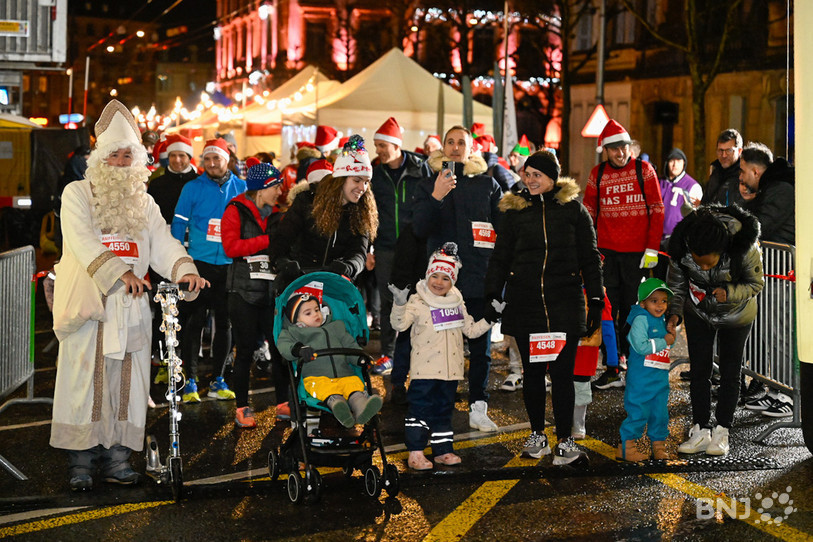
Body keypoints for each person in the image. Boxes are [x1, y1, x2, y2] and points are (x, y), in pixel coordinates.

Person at [50, 99, 208, 491]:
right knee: (84, 384)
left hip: (133, 310)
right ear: (100, 158)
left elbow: (162, 243)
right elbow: (82, 242)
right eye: (114, 156)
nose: (121, 163)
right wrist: (118, 272)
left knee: (128, 385)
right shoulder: (77, 194)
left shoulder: (146, 202)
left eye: (127, 156)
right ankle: (81, 463)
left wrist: (185, 269)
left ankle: (118, 459)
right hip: (90, 308)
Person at [484, 149, 603, 465]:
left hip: (564, 302)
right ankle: (538, 435)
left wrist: (595, 299)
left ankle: (565, 441)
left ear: (553, 177)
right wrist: (491, 295)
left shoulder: (574, 211)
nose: (531, 179)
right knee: (533, 373)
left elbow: (590, 258)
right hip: (526, 304)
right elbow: (500, 258)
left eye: (538, 174)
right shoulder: (514, 213)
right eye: (527, 174)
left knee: (564, 375)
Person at [413, 125, 503, 432]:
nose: (454, 147)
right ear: (442, 147)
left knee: (481, 350)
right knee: (438, 350)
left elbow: (502, 230)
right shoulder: (427, 184)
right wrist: (437, 195)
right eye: (449, 142)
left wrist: (501, 277)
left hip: (479, 278)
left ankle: (479, 406)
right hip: (441, 285)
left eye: (460, 142)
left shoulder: (487, 184)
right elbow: (418, 229)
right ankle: (438, 409)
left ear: (471, 148)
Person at [667, 205, 764, 457]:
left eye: (708, 262)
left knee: (731, 371)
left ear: (721, 251)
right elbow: (676, 284)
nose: (704, 268)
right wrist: (674, 313)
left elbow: (756, 283)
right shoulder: (682, 247)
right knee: (700, 370)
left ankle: (722, 430)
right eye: (698, 262)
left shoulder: (743, 245)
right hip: (698, 311)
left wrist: (729, 292)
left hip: (737, 314)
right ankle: (700, 428)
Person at [390, 243, 496, 469]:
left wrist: (490, 318)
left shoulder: (457, 302)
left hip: (450, 372)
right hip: (425, 371)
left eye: (446, 278)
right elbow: (399, 323)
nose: (439, 282)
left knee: (443, 412)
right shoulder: (417, 300)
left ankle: (443, 450)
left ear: (454, 280)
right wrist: (399, 303)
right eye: (434, 276)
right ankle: (416, 452)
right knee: (419, 411)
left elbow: (471, 330)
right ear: (427, 274)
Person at [582, 119, 664, 389]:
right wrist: (588, 248)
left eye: (624, 147)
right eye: (614, 149)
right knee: (607, 311)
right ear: (606, 150)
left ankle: (632, 362)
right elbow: (589, 213)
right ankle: (613, 366)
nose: (620, 153)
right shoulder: (598, 173)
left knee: (632, 311)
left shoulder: (645, 170)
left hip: (636, 255)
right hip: (606, 254)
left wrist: (652, 247)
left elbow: (656, 208)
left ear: (630, 147)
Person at [171, 138, 247, 403]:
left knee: (225, 324)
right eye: (207, 159)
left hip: (229, 266)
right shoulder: (192, 188)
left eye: (217, 159)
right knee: (194, 323)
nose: (212, 164)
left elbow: (249, 225)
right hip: (198, 266)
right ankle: (190, 380)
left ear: (227, 160)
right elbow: (178, 226)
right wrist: (180, 261)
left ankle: (218, 379)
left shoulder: (242, 187)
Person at [221, 161, 290, 428]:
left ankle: (283, 403)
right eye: (276, 186)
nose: (279, 191)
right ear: (261, 188)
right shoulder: (236, 209)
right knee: (245, 350)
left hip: (271, 292)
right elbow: (231, 247)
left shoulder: (278, 213)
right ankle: (241, 406)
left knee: (279, 349)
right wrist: (268, 242)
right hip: (242, 292)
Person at [369, 117, 432, 386]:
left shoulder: (421, 169)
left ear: (396, 145)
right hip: (384, 246)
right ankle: (388, 353)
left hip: (415, 246)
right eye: (376, 145)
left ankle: (419, 351)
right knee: (387, 302)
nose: (379, 151)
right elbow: (368, 213)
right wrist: (369, 246)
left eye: (383, 145)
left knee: (418, 300)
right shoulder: (375, 173)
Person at [271, 135, 378, 290]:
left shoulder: (361, 211)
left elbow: (359, 252)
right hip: (300, 281)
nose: (362, 188)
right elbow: (282, 239)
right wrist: (283, 263)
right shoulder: (307, 201)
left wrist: (348, 267)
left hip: (335, 286)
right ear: (341, 179)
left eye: (366, 182)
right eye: (357, 180)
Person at [737, 142, 795, 416]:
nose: (741, 176)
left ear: (757, 171)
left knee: (780, 335)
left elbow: (760, 225)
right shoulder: (770, 189)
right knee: (767, 333)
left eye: (743, 170)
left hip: (782, 272)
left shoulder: (781, 190)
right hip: (771, 271)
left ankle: (786, 394)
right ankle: (771, 389)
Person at [277, 293, 383, 428]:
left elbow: (350, 346)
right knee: (327, 389)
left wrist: (360, 358)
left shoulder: (337, 327)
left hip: (345, 374)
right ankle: (339, 407)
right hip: (316, 378)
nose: (315, 314)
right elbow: (284, 345)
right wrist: (298, 349)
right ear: (296, 320)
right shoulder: (294, 333)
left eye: (317, 310)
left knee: (354, 386)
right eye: (308, 313)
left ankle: (362, 409)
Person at [616, 278, 676, 461]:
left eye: (664, 301)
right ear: (643, 303)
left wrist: (668, 338)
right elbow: (641, 346)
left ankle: (658, 446)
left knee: (659, 412)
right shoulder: (641, 318)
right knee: (638, 410)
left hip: (659, 375)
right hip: (641, 377)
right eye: (654, 300)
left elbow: (664, 347)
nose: (660, 305)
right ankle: (626, 447)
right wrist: (664, 340)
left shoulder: (661, 319)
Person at [702, 129, 745, 207]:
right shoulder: (715, 172)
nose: (724, 155)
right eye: (720, 150)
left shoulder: (744, 176)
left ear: (739, 151)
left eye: (729, 150)